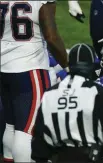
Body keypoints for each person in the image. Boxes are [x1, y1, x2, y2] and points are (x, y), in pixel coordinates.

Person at [31, 43, 103, 163]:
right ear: (91, 66)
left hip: (60, 157)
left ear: (69, 65)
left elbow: (39, 137)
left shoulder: (50, 94)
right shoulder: (97, 91)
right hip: (90, 157)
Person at [0, 1, 68, 162]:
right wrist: (68, 66)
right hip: (29, 68)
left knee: (11, 125)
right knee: (28, 131)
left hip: (3, 67)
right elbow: (51, 37)